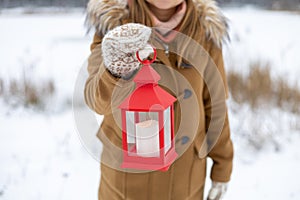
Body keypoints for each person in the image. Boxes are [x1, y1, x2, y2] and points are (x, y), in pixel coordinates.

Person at [84, 0, 234, 199]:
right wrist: (117, 69)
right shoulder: (114, 25)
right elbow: (96, 100)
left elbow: (214, 105)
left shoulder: (206, 31)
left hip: (185, 178)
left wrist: (222, 170)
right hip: (123, 180)